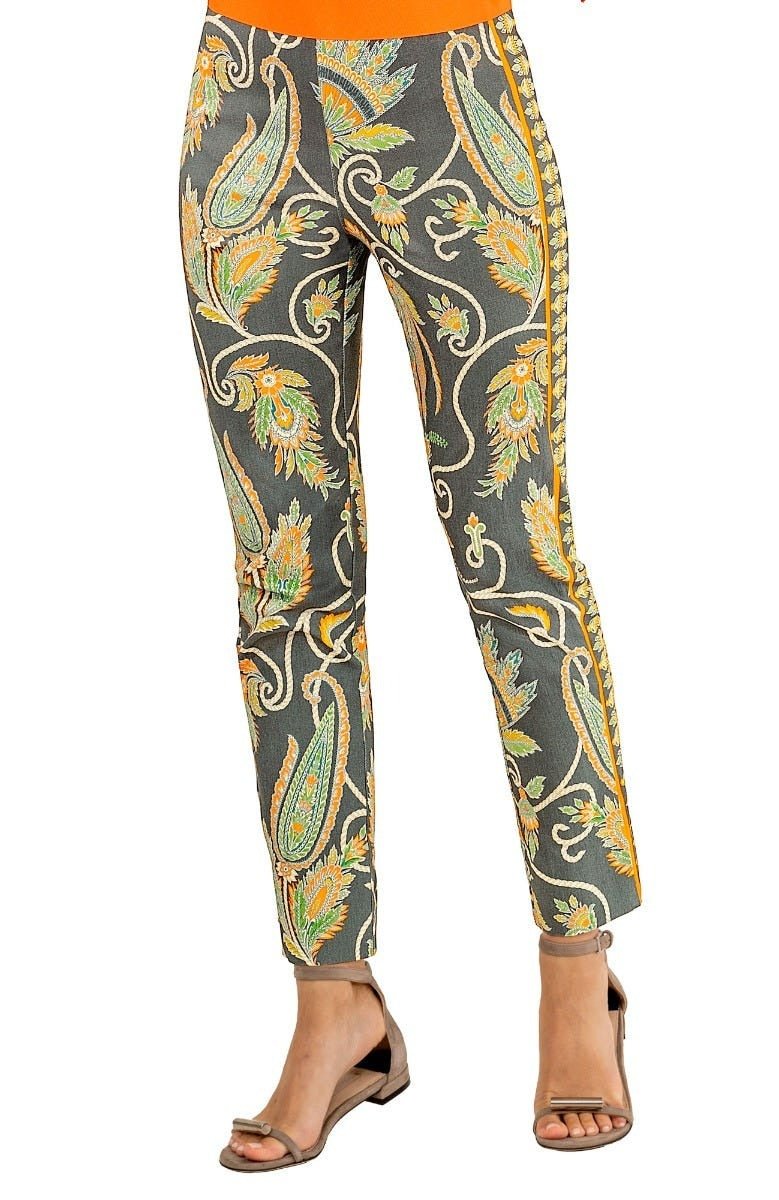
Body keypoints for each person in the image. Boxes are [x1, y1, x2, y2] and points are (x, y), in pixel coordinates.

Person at [177, 0, 642, 1163]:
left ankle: (576, 969)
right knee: (286, 579)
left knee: (514, 553)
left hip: (451, 78)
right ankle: (335, 1003)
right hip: (247, 86)